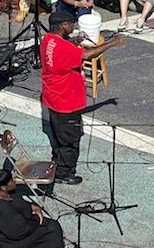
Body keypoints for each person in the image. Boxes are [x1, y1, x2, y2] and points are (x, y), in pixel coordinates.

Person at [41, 13, 125, 182]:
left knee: (59, 135)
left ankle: (57, 162)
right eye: (72, 24)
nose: (74, 27)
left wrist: (76, 40)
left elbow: (64, 47)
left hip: (53, 97)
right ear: (64, 25)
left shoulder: (47, 40)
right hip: (66, 101)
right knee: (70, 140)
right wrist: (112, 43)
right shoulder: (64, 48)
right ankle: (65, 173)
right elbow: (87, 55)